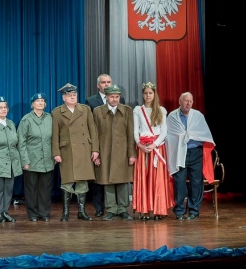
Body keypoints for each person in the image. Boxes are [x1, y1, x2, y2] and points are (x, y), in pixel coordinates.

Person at [51, 83, 98, 222]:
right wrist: (56, 153)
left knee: (82, 181)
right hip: (67, 151)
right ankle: (65, 212)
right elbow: (55, 135)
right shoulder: (57, 112)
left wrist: (95, 149)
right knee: (67, 181)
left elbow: (93, 130)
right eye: (70, 95)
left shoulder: (85, 109)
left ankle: (81, 212)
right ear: (64, 97)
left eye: (74, 95)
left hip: (84, 150)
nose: (73, 97)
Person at [166, 91, 215, 220]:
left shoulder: (198, 116)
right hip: (179, 152)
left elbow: (205, 133)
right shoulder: (172, 116)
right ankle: (179, 211)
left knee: (196, 182)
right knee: (179, 182)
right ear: (180, 102)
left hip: (195, 153)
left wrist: (191, 135)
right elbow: (169, 136)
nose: (188, 103)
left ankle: (194, 211)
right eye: (186, 101)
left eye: (190, 101)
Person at [92, 84, 136, 221]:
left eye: (117, 97)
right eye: (112, 97)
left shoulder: (127, 110)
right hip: (105, 151)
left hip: (122, 152)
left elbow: (130, 134)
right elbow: (94, 134)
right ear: (106, 97)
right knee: (107, 180)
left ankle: (123, 209)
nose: (115, 99)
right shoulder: (98, 111)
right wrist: (96, 152)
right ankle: (111, 209)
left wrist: (131, 154)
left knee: (123, 181)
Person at [132, 82, 174, 221]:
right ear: (143, 95)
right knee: (144, 177)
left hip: (157, 147)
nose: (148, 95)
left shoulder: (161, 110)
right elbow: (135, 130)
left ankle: (158, 210)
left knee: (157, 178)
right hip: (143, 147)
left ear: (154, 94)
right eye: (145, 93)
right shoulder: (138, 110)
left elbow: (164, 131)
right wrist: (139, 144)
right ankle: (144, 210)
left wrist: (154, 144)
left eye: (150, 93)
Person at [18, 92, 54, 222]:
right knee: (31, 189)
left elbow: (54, 139)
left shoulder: (50, 118)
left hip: (47, 160)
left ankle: (44, 213)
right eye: (37, 101)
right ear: (32, 104)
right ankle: (32, 213)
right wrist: (25, 161)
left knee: (45, 189)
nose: (40, 103)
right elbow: (21, 142)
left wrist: (55, 155)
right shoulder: (26, 119)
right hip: (31, 160)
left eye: (43, 101)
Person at [85, 73, 114, 217]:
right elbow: (89, 126)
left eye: (109, 82)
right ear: (98, 85)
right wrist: (94, 148)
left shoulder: (118, 99)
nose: (106, 84)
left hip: (114, 145)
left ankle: (112, 207)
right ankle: (98, 207)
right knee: (97, 177)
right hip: (98, 143)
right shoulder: (90, 101)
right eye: (103, 82)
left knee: (112, 175)